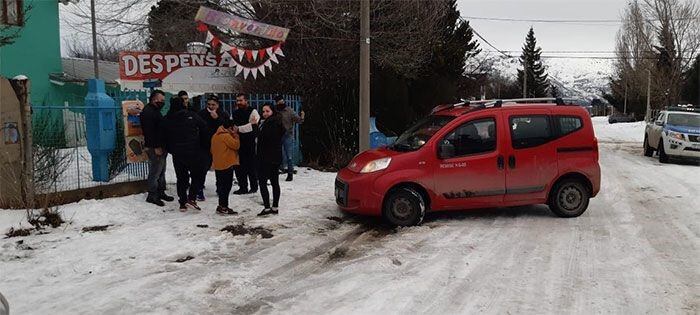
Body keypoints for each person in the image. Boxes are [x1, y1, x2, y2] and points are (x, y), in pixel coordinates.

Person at [160, 97, 209, 211]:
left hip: (177, 153)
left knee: (181, 178)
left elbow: (163, 135)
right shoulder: (191, 115)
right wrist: (203, 145)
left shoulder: (167, 118)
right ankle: (191, 198)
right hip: (193, 151)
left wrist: (170, 148)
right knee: (197, 175)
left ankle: (182, 202)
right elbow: (204, 128)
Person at [141, 89, 174, 206]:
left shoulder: (155, 110)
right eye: (161, 100)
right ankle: (152, 195)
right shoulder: (148, 112)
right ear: (154, 99)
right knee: (155, 172)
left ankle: (161, 192)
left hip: (160, 146)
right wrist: (156, 147)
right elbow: (149, 132)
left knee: (161, 171)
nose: (163, 102)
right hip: (155, 147)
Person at [196, 94, 230, 201]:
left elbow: (227, 127)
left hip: (219, 146)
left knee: (219, 168)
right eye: (209, 104)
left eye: (213, 105)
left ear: (218, 105)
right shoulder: (201, 114)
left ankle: (220, 189)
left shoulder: (223, 114)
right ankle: (199, 189)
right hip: (205, 144)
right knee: (202, 168)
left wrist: (217, 119)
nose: (211, 107)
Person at [256, 104, 287, 216]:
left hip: (266, 158)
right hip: (274, 157)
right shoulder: (275, 122)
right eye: (263, 111)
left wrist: (257, 129)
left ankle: (268, 208)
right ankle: (274, 207)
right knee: (274, 182)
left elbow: (266, 139)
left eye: (267, 111)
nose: (264, 113)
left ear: (272, 112)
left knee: (263, 182)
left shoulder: (271, 123)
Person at [231, 93, 260, 195]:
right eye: (237, 100)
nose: (239, 102)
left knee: (251, 166)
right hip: (238, 142)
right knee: (239, 167)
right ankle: (242, 187)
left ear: (246, 101)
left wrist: (239, 129)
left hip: (250, 142)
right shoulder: (235, 113)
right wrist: (240, 129)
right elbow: (233, 126)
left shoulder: (253, 111)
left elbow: (253, 126)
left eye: (241, 100)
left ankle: (254, 186)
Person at [211, 119, 240, 215]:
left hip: (218, 164)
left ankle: (221, 205)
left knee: (221, 186)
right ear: (230, 128)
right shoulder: (226, 136)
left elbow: (211, 150)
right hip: (226, 164)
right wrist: (236, 135)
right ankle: (224, 206)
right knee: (226, 187)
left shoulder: (215, 136)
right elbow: (236, 145)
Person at [275, 95, 305, 182]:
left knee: (289, 156)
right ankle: (277, 170)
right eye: (279, 102)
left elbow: (299, 120)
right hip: (277, 135)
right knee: (277, 154)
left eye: (282, 102)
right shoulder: (275, 110)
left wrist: (302, 116)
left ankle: (290, 174)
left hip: (287, 135)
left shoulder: (289, 110)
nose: (281, 103)